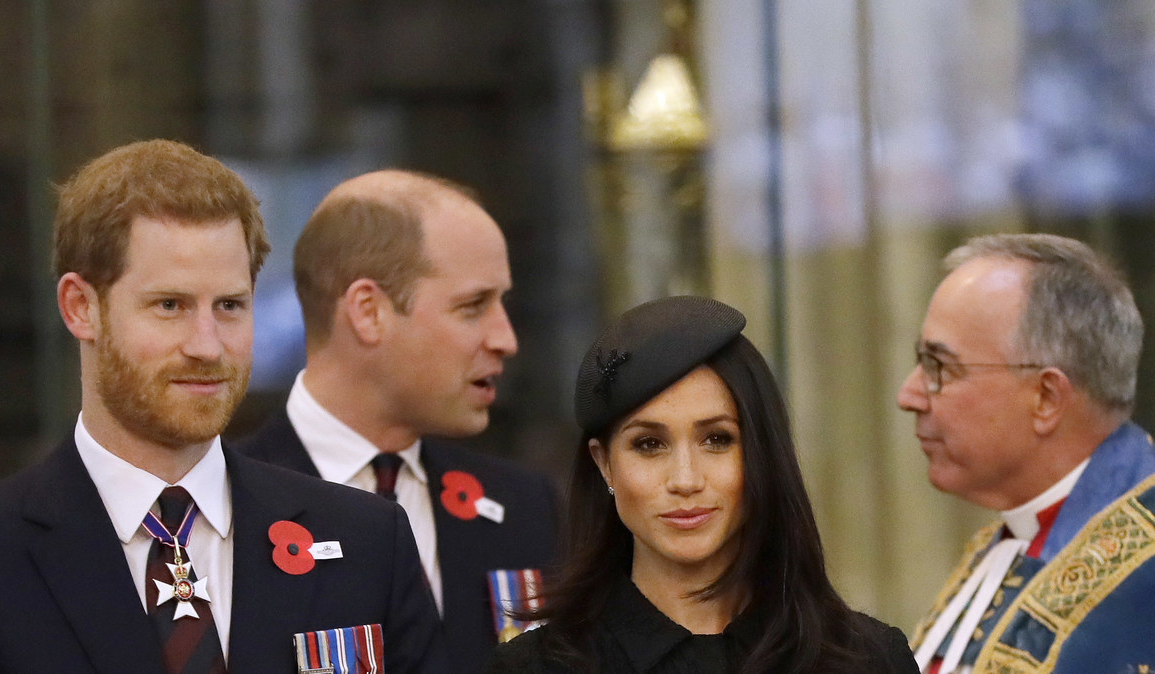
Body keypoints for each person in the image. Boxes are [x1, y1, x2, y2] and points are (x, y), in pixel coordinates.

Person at [0, 140, 446, 673]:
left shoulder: (370, 543)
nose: (206, 344)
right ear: (80, 308)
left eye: (229, 305)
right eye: (169, 305)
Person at [234, 169, 559, 672]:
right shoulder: (224, 510)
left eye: (503, 304)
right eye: (473, 306)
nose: (505, 338)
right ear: (368, 312)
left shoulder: (524, 508)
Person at [485, 295, 916, 673]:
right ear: (604, 465)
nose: (685, 480)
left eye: (717, 439)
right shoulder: (534, 668)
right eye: (649, 444)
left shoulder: (869, 659)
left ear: (761, 453)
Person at [900, 233, 1155, 674]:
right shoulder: (1009, 538)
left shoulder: (1142, 569)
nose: (909, 394)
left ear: (1046, 398)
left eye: (939, 366)